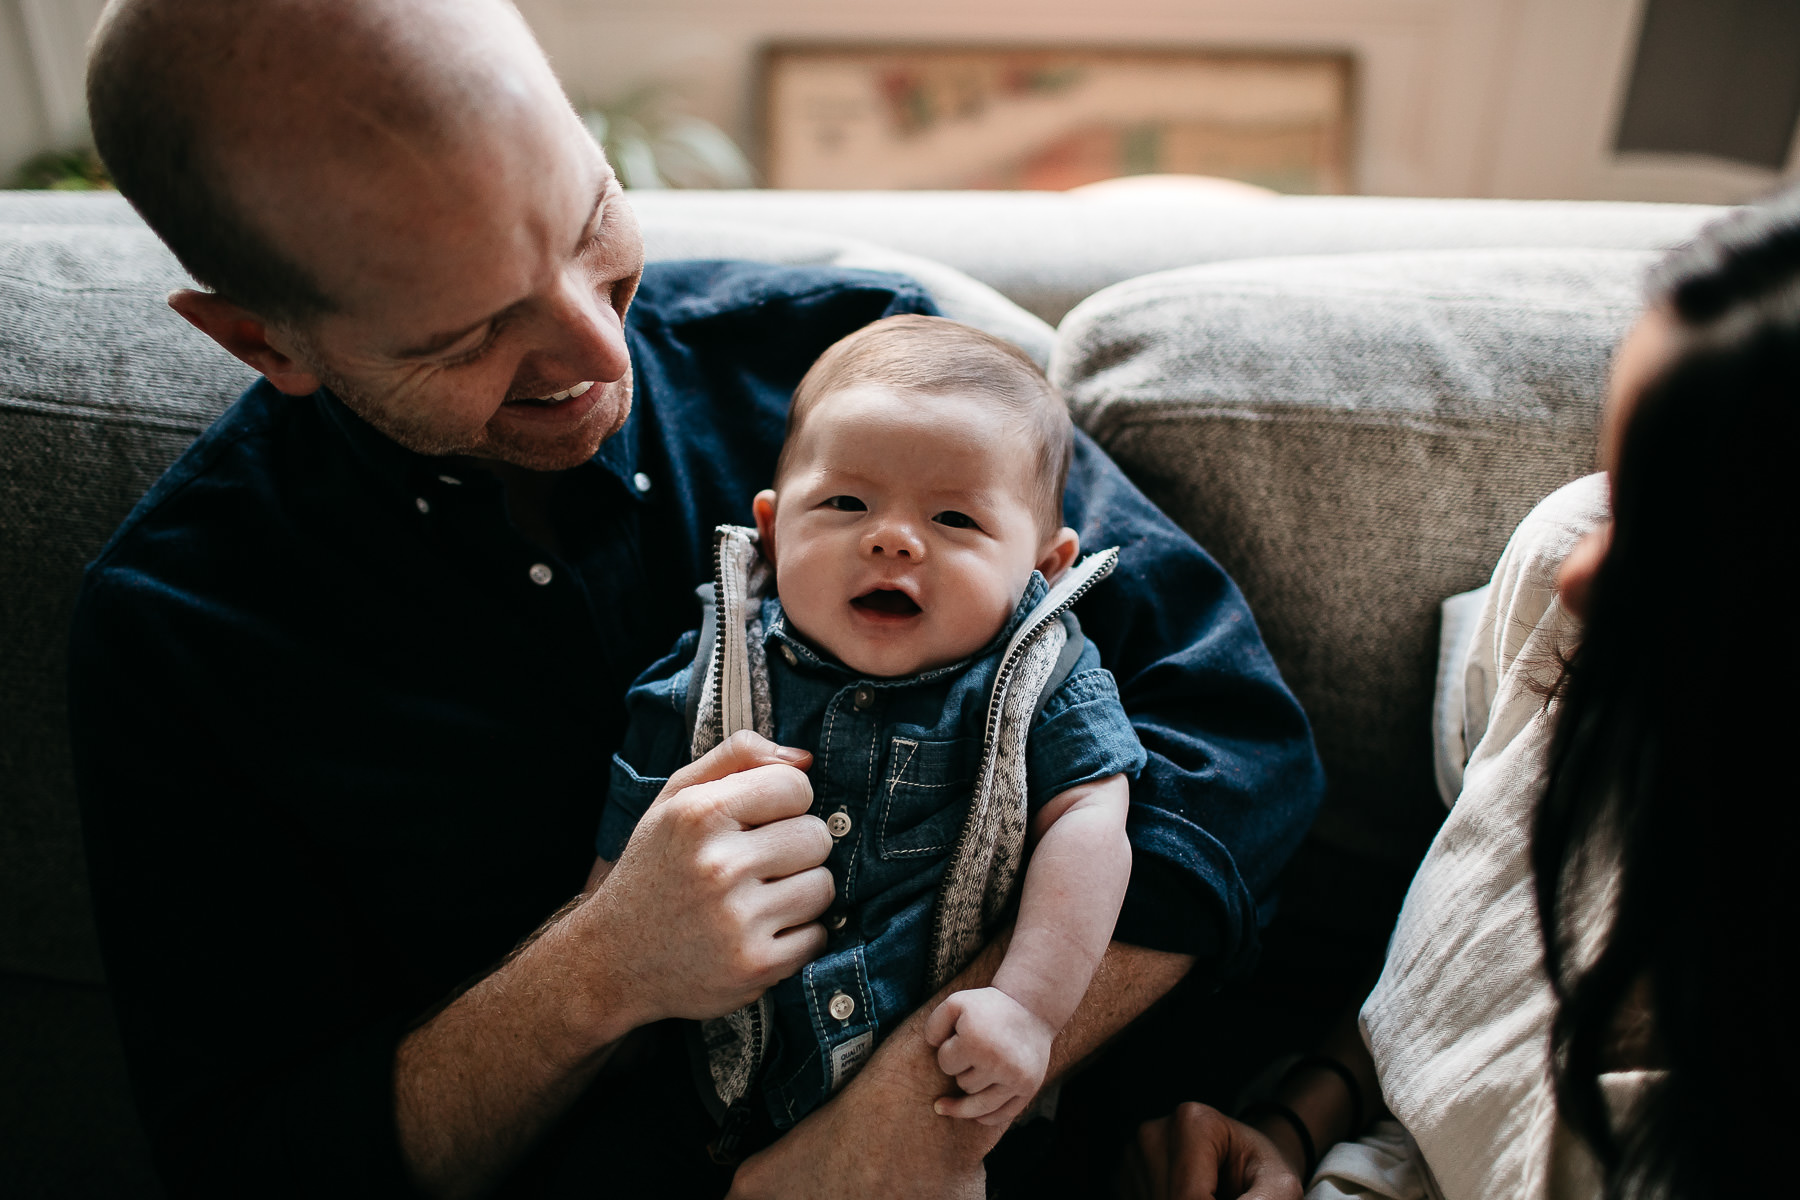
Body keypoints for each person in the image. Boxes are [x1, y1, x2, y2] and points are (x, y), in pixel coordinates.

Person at [69, 1, 1325, 1197]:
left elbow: (1237, 737)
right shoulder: (183, 630)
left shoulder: (855, 383)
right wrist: (596, 972)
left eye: (590, 217)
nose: (599, 354)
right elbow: (259, 1161)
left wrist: (905, 1121)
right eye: (468, 333)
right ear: (261, 341)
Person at [1125, 189, 1799, 1200]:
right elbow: (1457, 952)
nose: (1580, 569)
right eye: (1622, 486)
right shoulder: (1568, 595)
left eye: (1671, 528)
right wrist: (1295, 1121)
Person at [594, 315, 1143, 1140]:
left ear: (1042, 566)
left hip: (947, 1083)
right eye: (846, 503)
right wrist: (610, 1003)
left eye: (955, 520)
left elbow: (1092, 826)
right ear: (775, 533)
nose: (891, 538)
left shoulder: (1041, 679)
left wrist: (1029, 1006)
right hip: (712, 1095)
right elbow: (630, 838)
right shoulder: (714, 667)